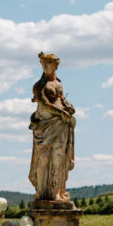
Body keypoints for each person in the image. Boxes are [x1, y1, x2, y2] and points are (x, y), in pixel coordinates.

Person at [28, 52, 76, 203]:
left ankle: (56, 193)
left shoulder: (59, 84)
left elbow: (61, 100)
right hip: (45, 126)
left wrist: (68, 108)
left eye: (48, 63)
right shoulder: (39, 86)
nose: (45, 66)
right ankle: (42, 192)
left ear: (55, 65)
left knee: (58, 158)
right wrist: (62, 113)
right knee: (43, 159)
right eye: (43, 64)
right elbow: (44, 104)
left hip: (60, 125)